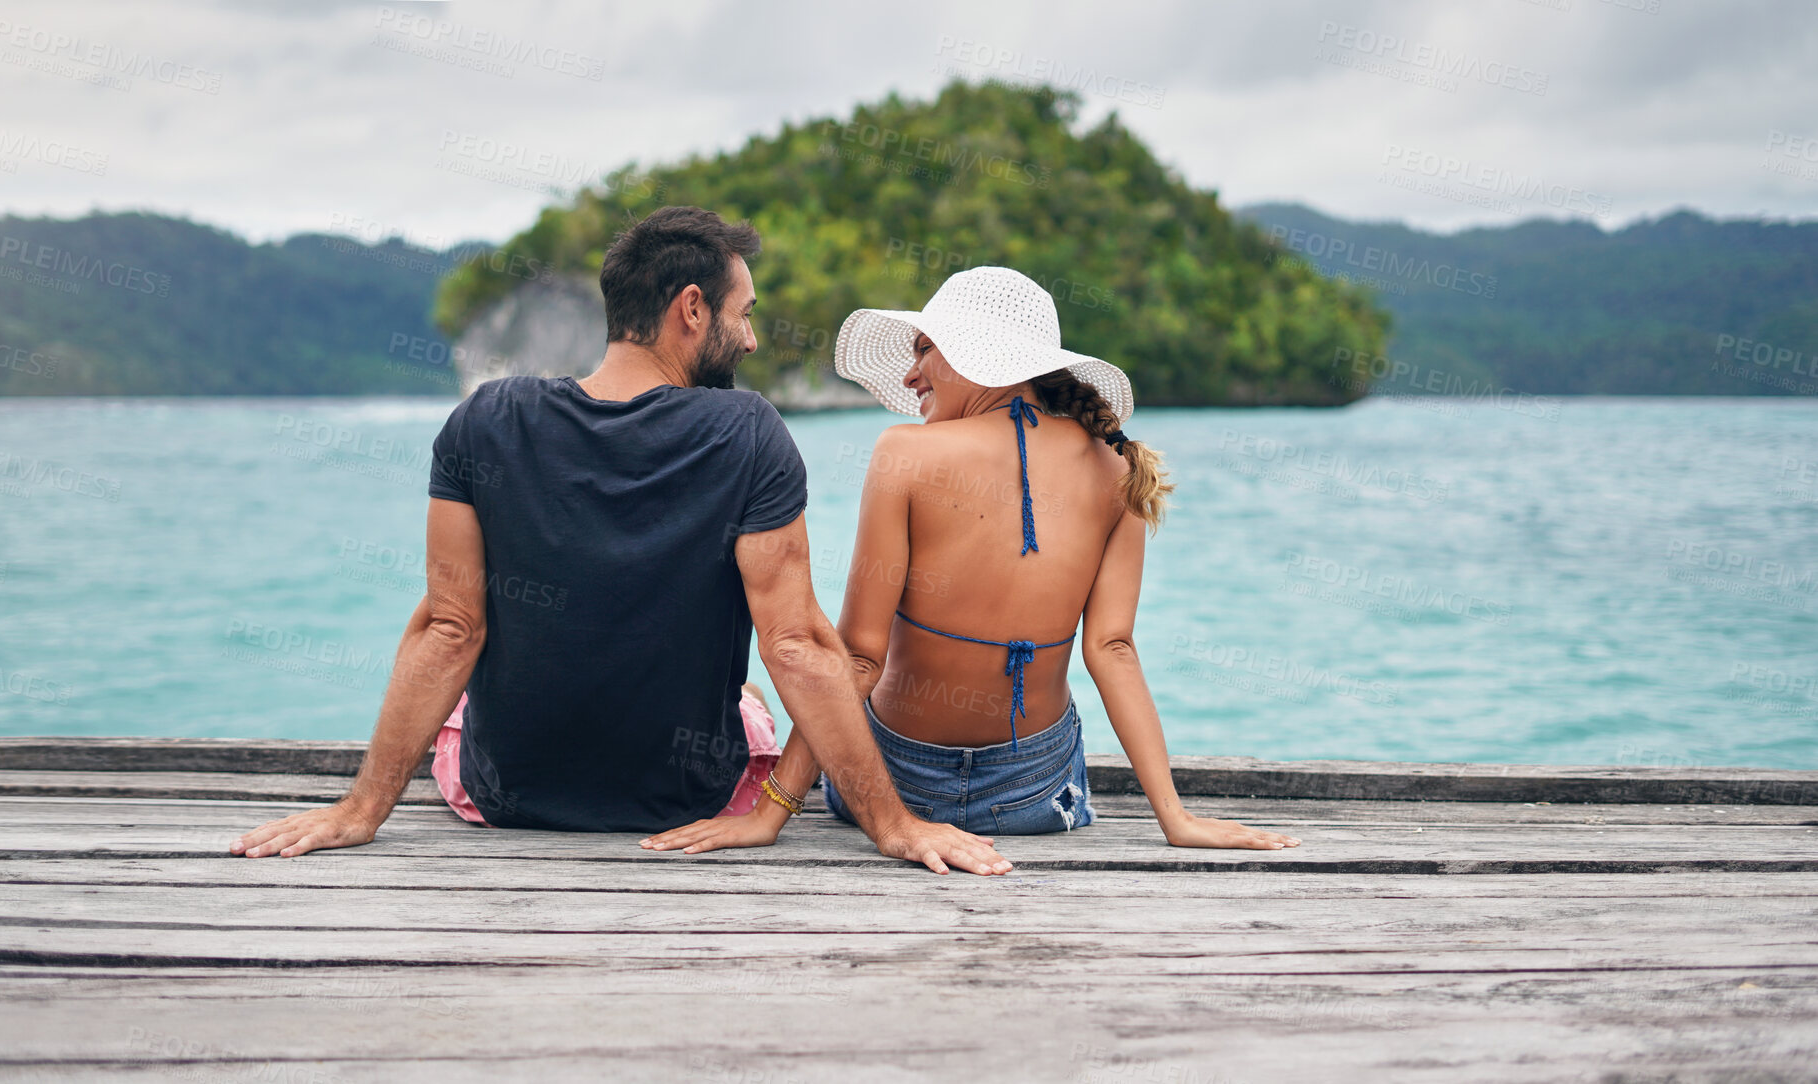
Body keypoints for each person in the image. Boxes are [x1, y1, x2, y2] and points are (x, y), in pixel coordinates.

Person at [232, 207, 1012, 876]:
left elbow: (449, 626)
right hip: (688, 799)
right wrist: (893, 824)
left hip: (506, 800)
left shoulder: (486, 417)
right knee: (749, 698)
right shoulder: (746, 432)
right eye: (742, 314)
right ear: (692, 310)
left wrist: (362, 809)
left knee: (466, 684)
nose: (748, 340)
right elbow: (799, 644)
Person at [643, 267, 1302, 853]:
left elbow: (861, 660)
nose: (908, 374)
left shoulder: (903, 453)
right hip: (1036, 796)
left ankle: (753, 713)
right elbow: (1112, 649)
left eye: (924, 349)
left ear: (983, 354)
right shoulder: (1117, 470)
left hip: (899, 784)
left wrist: (770, 813)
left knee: (751, 699)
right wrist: (1176, 819)